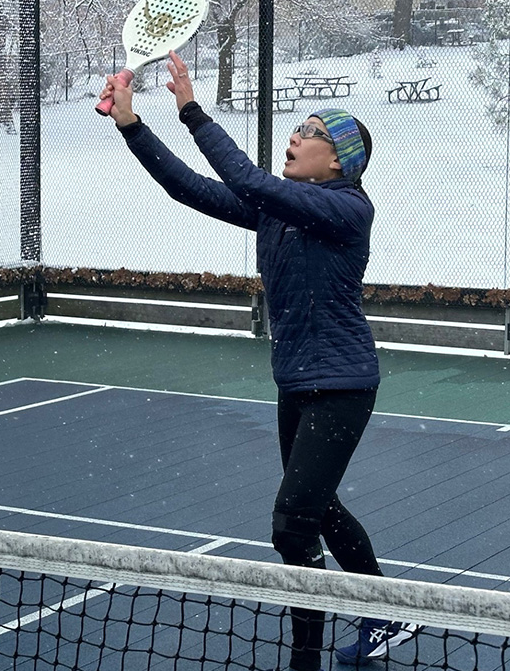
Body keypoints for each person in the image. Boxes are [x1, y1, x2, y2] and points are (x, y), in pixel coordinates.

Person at [100, 53, 415, 670]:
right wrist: (132, 124)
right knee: (318, 509)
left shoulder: (348, 210)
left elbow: (247, 179)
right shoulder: (279, 208)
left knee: (292, 525)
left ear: (340, 162)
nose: (296, 136)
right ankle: (386, 613)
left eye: (314, 135)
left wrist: (191, 108)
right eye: (299, 127)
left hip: (344, 384)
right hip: (295, 382)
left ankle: (305, 659)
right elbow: (189, 188)